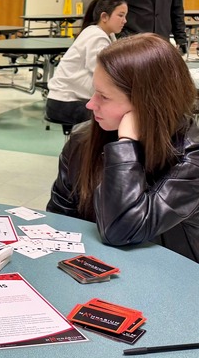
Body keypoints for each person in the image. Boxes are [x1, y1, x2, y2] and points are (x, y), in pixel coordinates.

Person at [47, 33, 199, 262]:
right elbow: (59, 220)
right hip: (95, 270)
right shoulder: (82, 141)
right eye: (94, 91)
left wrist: (126, 145)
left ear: (147, 105)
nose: (90, 104)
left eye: (104, 97)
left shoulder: (191, 156)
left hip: (170, 278)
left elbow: (121, 230)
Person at [46, 0, 127, 125]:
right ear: (104, 17)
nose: (125, 21)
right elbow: (103, 73)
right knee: (118, 117)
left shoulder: (105, 35)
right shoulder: (96, 37)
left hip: (67, 101)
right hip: (65, 103)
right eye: (120, 15)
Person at [109, 0, 187, 54]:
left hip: (162, 44)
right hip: (133, 45)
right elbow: (112, 10)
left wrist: (181, 40)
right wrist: (122, 38)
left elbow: (177, 10)